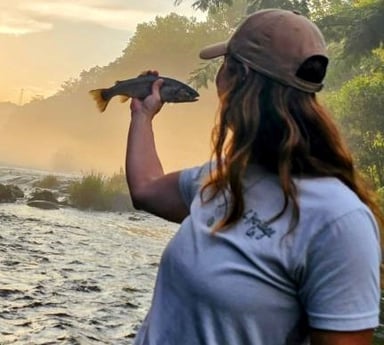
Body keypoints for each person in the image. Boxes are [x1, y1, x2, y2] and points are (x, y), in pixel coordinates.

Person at [125, 8, 383, 345]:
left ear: (238, 76)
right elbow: (145, 190)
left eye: (224, 65)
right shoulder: (222, 178)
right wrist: (142, 116)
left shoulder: (338, 221)